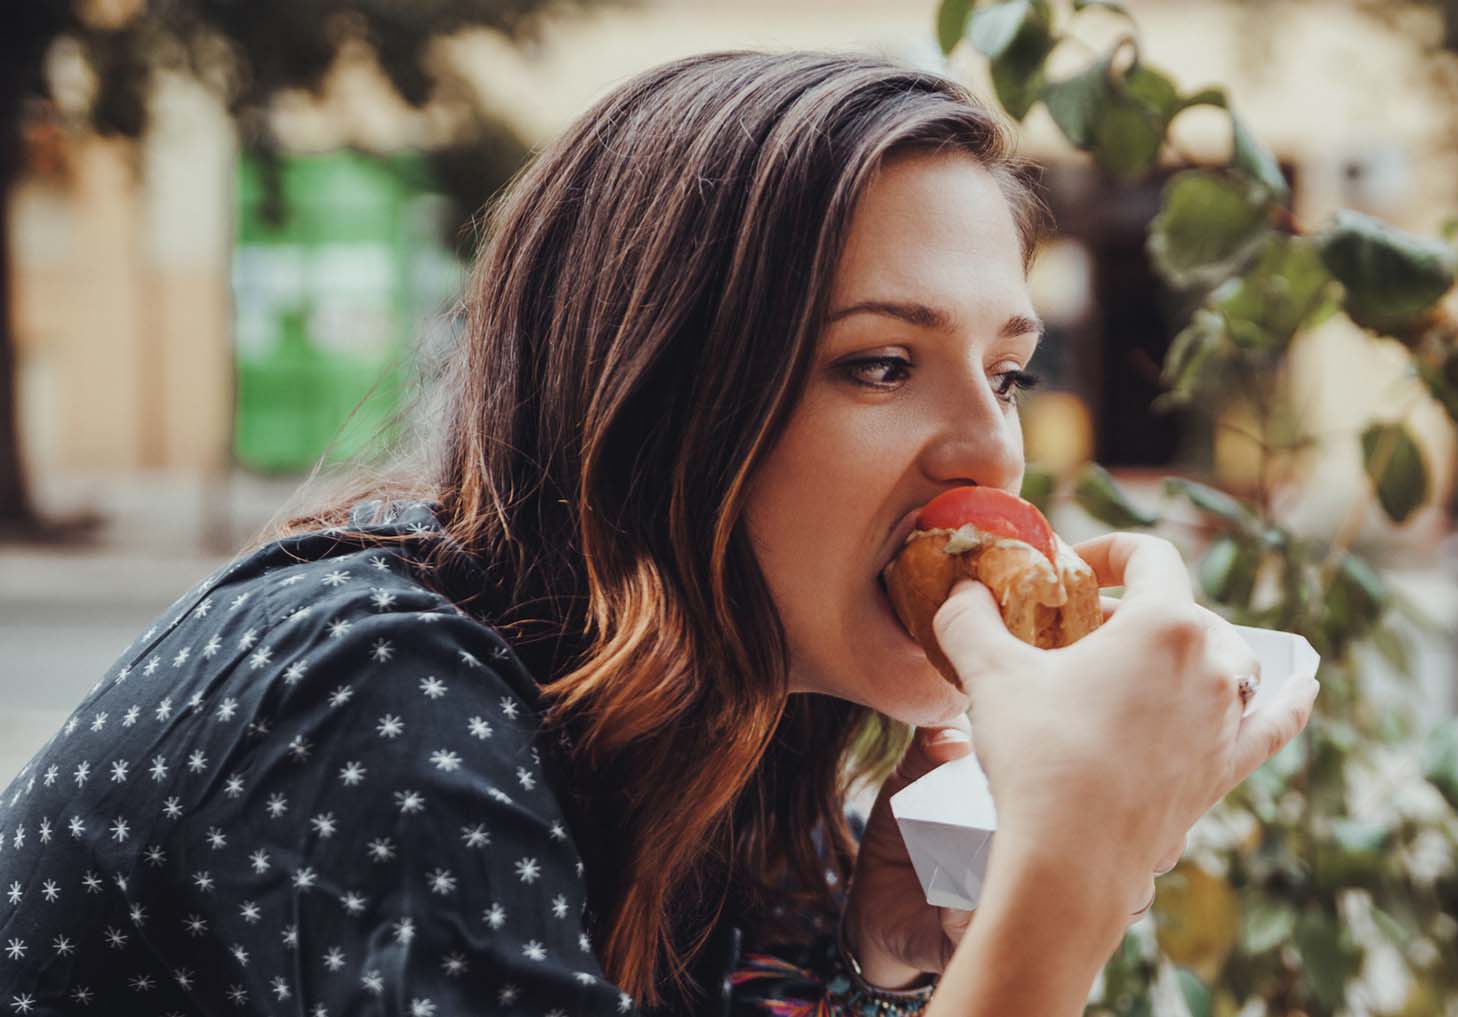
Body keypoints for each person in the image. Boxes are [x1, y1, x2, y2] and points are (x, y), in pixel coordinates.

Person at [0, 51, 1319, 1016]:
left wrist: (889, 960)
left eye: (1009, 371)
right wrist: (1066, 882)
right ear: (666, 401)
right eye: (878, 365)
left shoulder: (729, 731)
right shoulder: (370, 691)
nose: (989, 453)